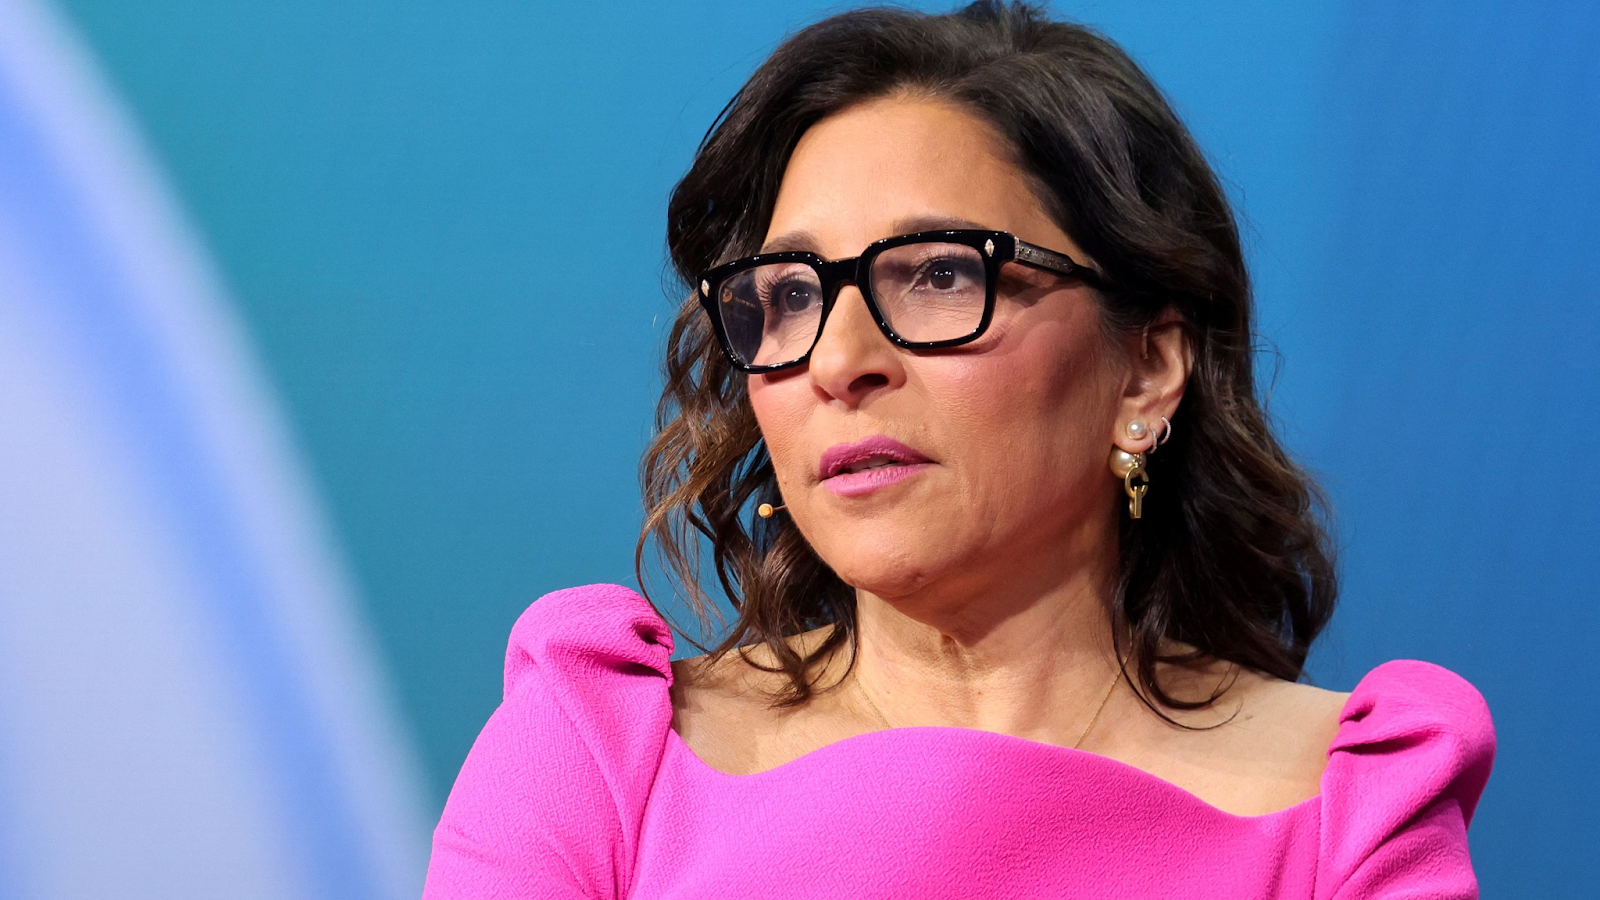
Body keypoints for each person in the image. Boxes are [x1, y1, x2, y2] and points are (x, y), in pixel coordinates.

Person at [422, 2, 1494, 897]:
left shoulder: (1347, 816)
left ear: (1146, 369)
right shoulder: (601, 762)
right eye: (787, 296)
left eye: (938, 274)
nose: (839, 361)